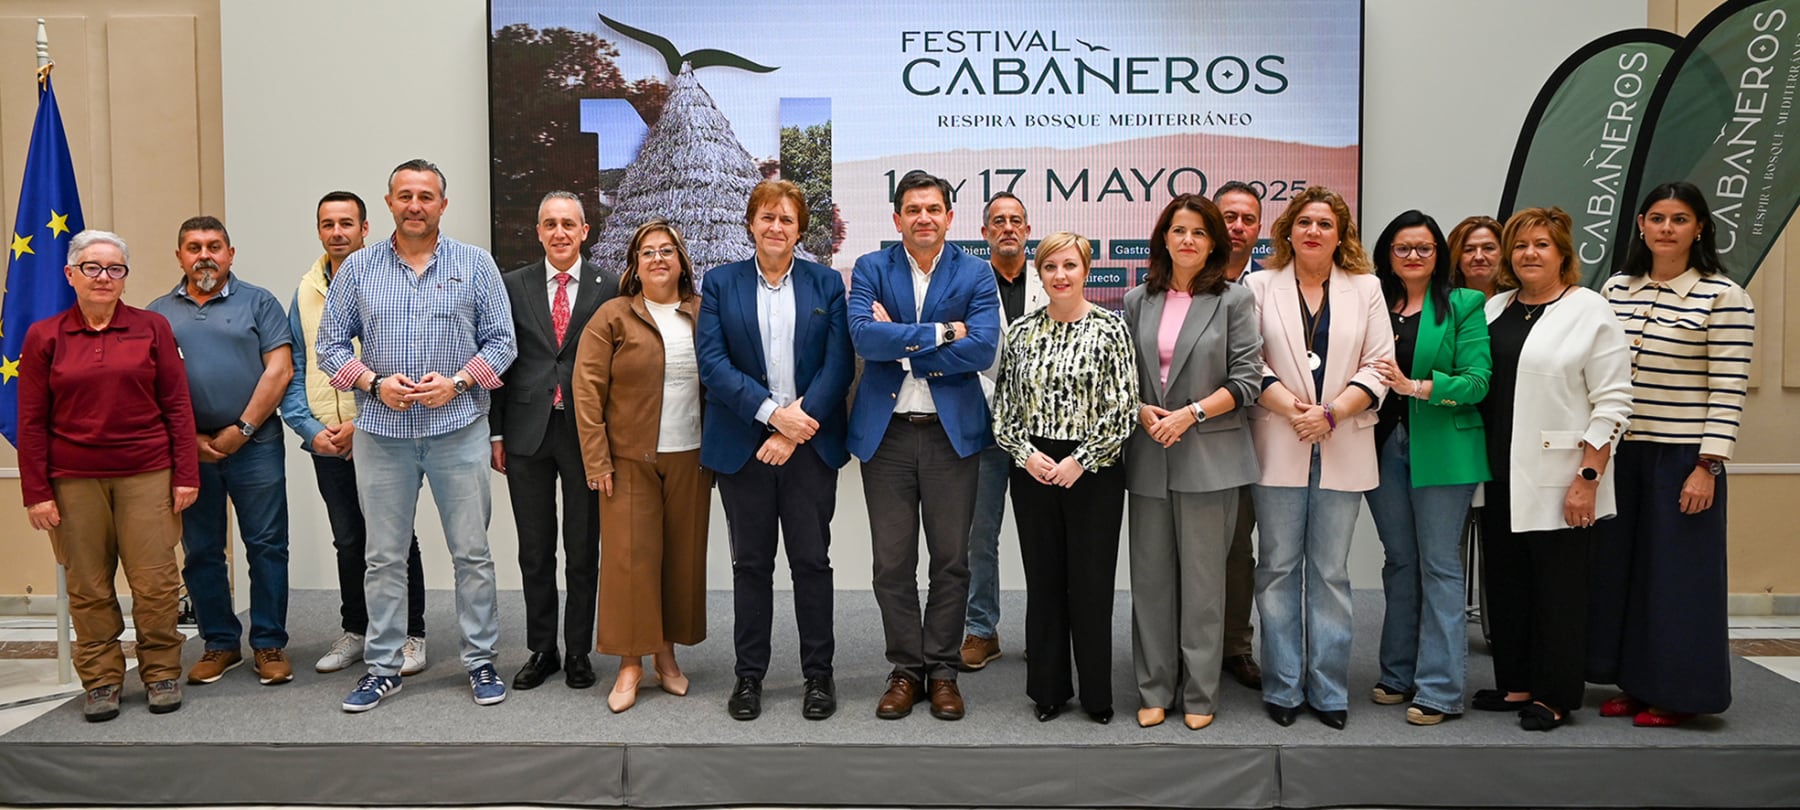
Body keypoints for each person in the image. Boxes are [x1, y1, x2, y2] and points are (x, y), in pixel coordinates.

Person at [318, 158, 518, 712]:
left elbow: (503, 343)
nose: (414, 205)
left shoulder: (476, 265)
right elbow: (329, 348)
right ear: (388, 204)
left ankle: (480, 661)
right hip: (383, 435)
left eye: (425, 196)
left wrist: (457, 383)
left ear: (442, 206)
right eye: (404, 195)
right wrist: (373, 382)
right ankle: (383, 669)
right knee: (382, 558)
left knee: (472, 553)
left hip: (459, 430)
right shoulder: (357, 271)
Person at [1589, 182, 1754, 727]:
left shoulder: (1724, 296)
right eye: (1656, 218)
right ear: (1640, 225)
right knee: (1626, 572)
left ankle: (1678, 692)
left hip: (1683, 459)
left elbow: (1729, 388)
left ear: (1699, 228)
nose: (1666, 228)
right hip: (1621, 454)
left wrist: (1708, 466)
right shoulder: (1616, 289)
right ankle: (1635, 683)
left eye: (1679, 219)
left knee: (1677, 580)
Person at [19, 230, 199, 721]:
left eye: (115, 268)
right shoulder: (44, 336)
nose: (104, 277)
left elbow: (177, 406)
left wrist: (186, 474)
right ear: (70, 274)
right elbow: (30, 421)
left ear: (125, 277)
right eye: (93, 268)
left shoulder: (152, 328)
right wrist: (36, 492)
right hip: (73, 480)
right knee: (89, 586)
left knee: (156, 582)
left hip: (147, 473)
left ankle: (161, 671)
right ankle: (101, 680)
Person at [848, 169, 1001, 721]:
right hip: (886, 437)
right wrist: (941, 332)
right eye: (912, 209)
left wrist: (903, 343)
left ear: (948, 216)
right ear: (897, 219)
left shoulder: (976, 274)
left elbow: (982, 350)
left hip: (950, 437)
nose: (923, 218)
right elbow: (863, 337)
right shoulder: (871, 267)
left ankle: (941, 670)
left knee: (951, 561)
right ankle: (906, 669)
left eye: (933, 208)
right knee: (891, 564)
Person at [698, 180, 854, 721]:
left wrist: (794, 429)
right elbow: (714, 365)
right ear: (750, 223)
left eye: (786, 219)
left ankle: (819, 676)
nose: (776, 227)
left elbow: (838, 364)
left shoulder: (826, 284)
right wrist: (771, 416)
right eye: (766, 216)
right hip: (743, 447)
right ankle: (749, 678)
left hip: (808, 447)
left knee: (811, 563)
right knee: (751, 565)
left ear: (799, 229)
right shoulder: (719, 283)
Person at [1474, 206, 1631, 731]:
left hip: (1563, 476)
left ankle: (1556, 694)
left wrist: (1588, 478)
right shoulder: (1495, 308)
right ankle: (1516, 682)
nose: (1529, 254)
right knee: (1508, 583)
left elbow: (1613, 402)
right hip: (1498, 474)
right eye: (1519, 246)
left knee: (1559, 591)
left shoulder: (1590, 310)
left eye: (1541, 244)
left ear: (1564, 253)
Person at [1244, 185, 1392, 730]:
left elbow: (1380, 366)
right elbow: (1248, 364)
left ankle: (1328, 690)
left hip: (1342, 440)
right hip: (1278, 442)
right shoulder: (1259, 286)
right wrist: (1296, 413)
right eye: (1304, 222)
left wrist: (1329, 415)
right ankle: (1284, 685)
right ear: (1287, 231)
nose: (1313, 232)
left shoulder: (1367, 288)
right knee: (1279, 567)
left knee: (1329, 572)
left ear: (1340, 234)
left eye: (1325, 224)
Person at [1121, 195, 1262, 730]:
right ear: (1163, 239)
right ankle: (1155, 687)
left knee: (1204, 583)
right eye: (1178, 231)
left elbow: (1247, 381)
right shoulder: (1138, 299)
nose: (1187, 241)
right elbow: (1124, 375)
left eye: (1199, 233)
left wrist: (1190, 414)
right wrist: (1139, 409)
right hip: (1150, 455)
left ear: (1213, 243)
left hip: (1210, 457)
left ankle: (1200, 693)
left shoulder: (1233, 300)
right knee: (1151, 580)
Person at [281, 191, 429, 677]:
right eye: (328, 224)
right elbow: (298, 365)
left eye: (347, 223)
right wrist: (309, 429)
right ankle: (357, 630)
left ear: (366, 228)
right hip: (326, 439)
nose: (337, 232)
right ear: (319, 230)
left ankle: (411, 634)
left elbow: (406, 359)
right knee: (348, 540)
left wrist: (358, 423)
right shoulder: (304, 291)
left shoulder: (386, 279)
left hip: (380, 431)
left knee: (394, 539)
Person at [991, 231, 1135, 724]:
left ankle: (1097, 694)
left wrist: (1081, 460)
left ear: (1086, 270)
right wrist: (1026, 455)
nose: (1060, 275)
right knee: (1045, 581)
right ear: (1040, 272)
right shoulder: (1021, 332)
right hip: (1034, 469)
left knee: (1091, 584)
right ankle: (1048, 690)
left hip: (1093, 471)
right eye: (1050, 267)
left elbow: (1122, 409)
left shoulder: (1111, 330)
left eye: (1069, 265)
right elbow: (1004, 412)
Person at [147, 216, 295, 687]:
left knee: (267, 546)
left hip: (255, 444)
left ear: (231, 253)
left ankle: (268, 642)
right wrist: (188, 439)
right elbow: (149, 384)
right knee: (202, 550)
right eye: (194, 247)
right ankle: (219, 643)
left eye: (214, 246)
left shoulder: (260, 302)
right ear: (179, 257)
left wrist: (243, 428)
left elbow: (280, 370)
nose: (204, 255)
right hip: (190, 450)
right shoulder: (157, 314)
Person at [573, 219, 710, 714]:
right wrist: (597, 458)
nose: (657, 259)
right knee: (631, 561)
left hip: (692, 458)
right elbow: (586, 391)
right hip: (628, 460)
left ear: (681, 261)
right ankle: (630, 663)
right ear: (634, 264)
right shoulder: (614, 315)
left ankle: (666, 656)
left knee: (681, 559)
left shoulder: (701, 313)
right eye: (647, 252)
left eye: (667, 251)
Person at [1363, 210, 1492, 726]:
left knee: (1439, 565)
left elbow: (1478, 380)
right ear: (1387, 254)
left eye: (1424, 247)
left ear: (1439, 254)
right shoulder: (1372, 301)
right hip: (1380, 447)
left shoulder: (1464, 303)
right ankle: (1398, 674)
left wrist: (1418, 387)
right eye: (1402, 248)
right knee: (1400, 561)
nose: (1413, 256)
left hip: (1445, 448)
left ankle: (1439, 689)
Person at [493, 191, 618, 691]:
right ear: (539, 231)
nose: (560, 232)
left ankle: (579, 651)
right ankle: (542, 648)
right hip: (526, 434)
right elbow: (499, 361)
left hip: (586, 434)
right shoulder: (512, 285)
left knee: (583, 549)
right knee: (535, 549)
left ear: (585, 231)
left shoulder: (609, 286)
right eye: (550, 224)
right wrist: (497, 431)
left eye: (569, 223)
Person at [962, 191, 1047, 671]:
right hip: (986, 430)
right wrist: (1000, 407)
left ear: (1027, 230)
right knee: (980, 536)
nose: (1008, 228)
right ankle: (981, 629)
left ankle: (1044, 631)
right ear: (985, 232)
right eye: (998, 221)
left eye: (1016, 220)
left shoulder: (1050, 281)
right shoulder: (969, 284)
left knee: (1043, 537)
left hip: (1043, 433)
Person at [1212, 180, 1267, 689]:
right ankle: (1191, 645)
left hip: (1266, 439)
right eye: (1229, 216)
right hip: (1201, 437)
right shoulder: (1184, 285)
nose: (1237, 227)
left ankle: (1235, 646)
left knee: (1238, 550)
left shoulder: (1269, 287)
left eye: (1248, 219)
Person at [1448, 215, 1504, 299]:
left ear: (1503, 252)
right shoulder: (1441, 303)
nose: (1479, 257)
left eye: (1488, 248)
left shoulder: (1518, 300)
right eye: (1469, 250)